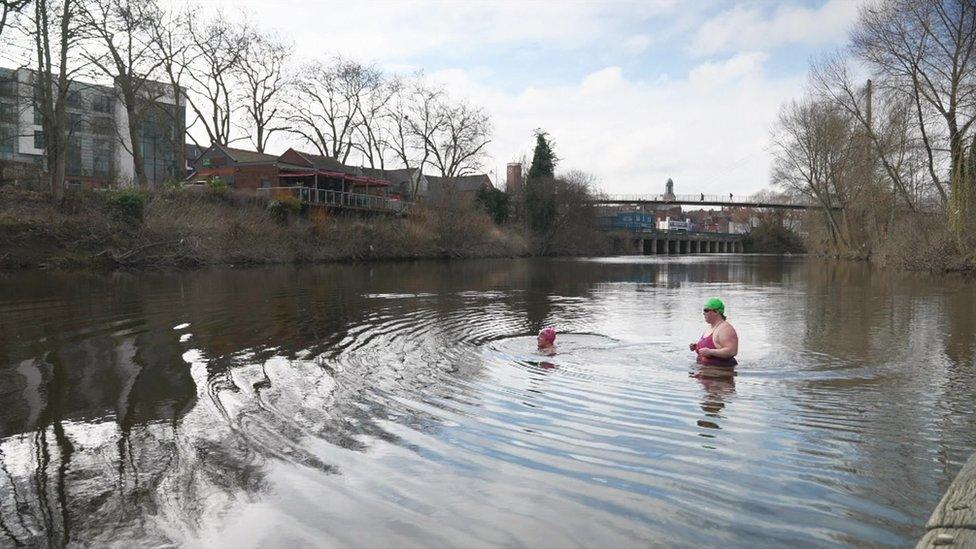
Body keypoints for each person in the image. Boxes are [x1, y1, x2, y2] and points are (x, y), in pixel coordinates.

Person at [689, 298, 738, 366]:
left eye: (706, 310)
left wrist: (710, 352)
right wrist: (697, 346)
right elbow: (713, 345)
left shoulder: (725, 329)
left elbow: (732, 351)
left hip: (721, 372)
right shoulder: (711, 327)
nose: (703, 313)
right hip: (706, 371)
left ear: (716, 312)